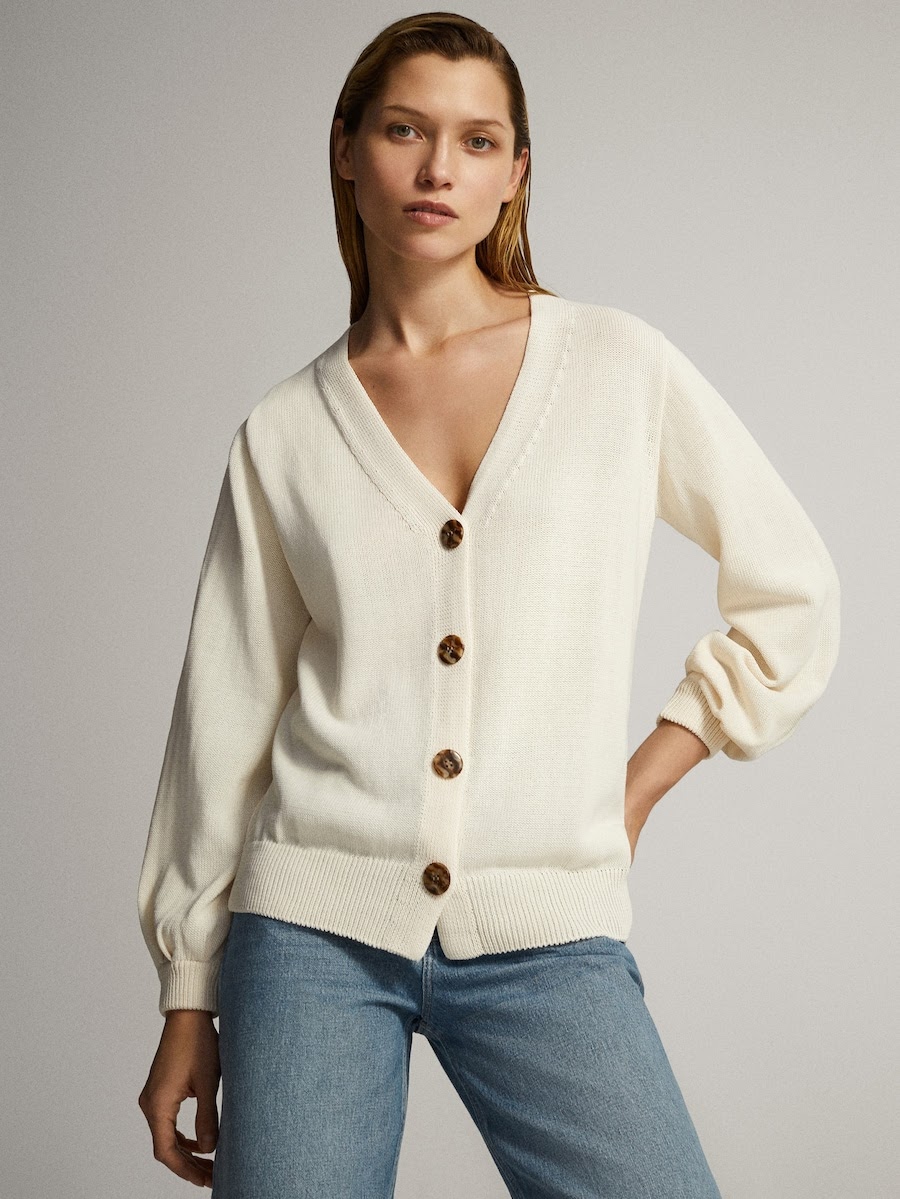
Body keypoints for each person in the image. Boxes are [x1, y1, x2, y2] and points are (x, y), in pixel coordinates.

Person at [136, 12, 841, 1197]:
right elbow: (222, 726)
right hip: (308, 936)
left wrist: (636, 786)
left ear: (516, 171)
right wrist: (188, 996)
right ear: (346, 148)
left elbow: (794, 591)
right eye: (404, 131)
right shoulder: (286, 432)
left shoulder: (616, 365)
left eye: (476, 140)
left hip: (546, 932)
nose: (437, 169)